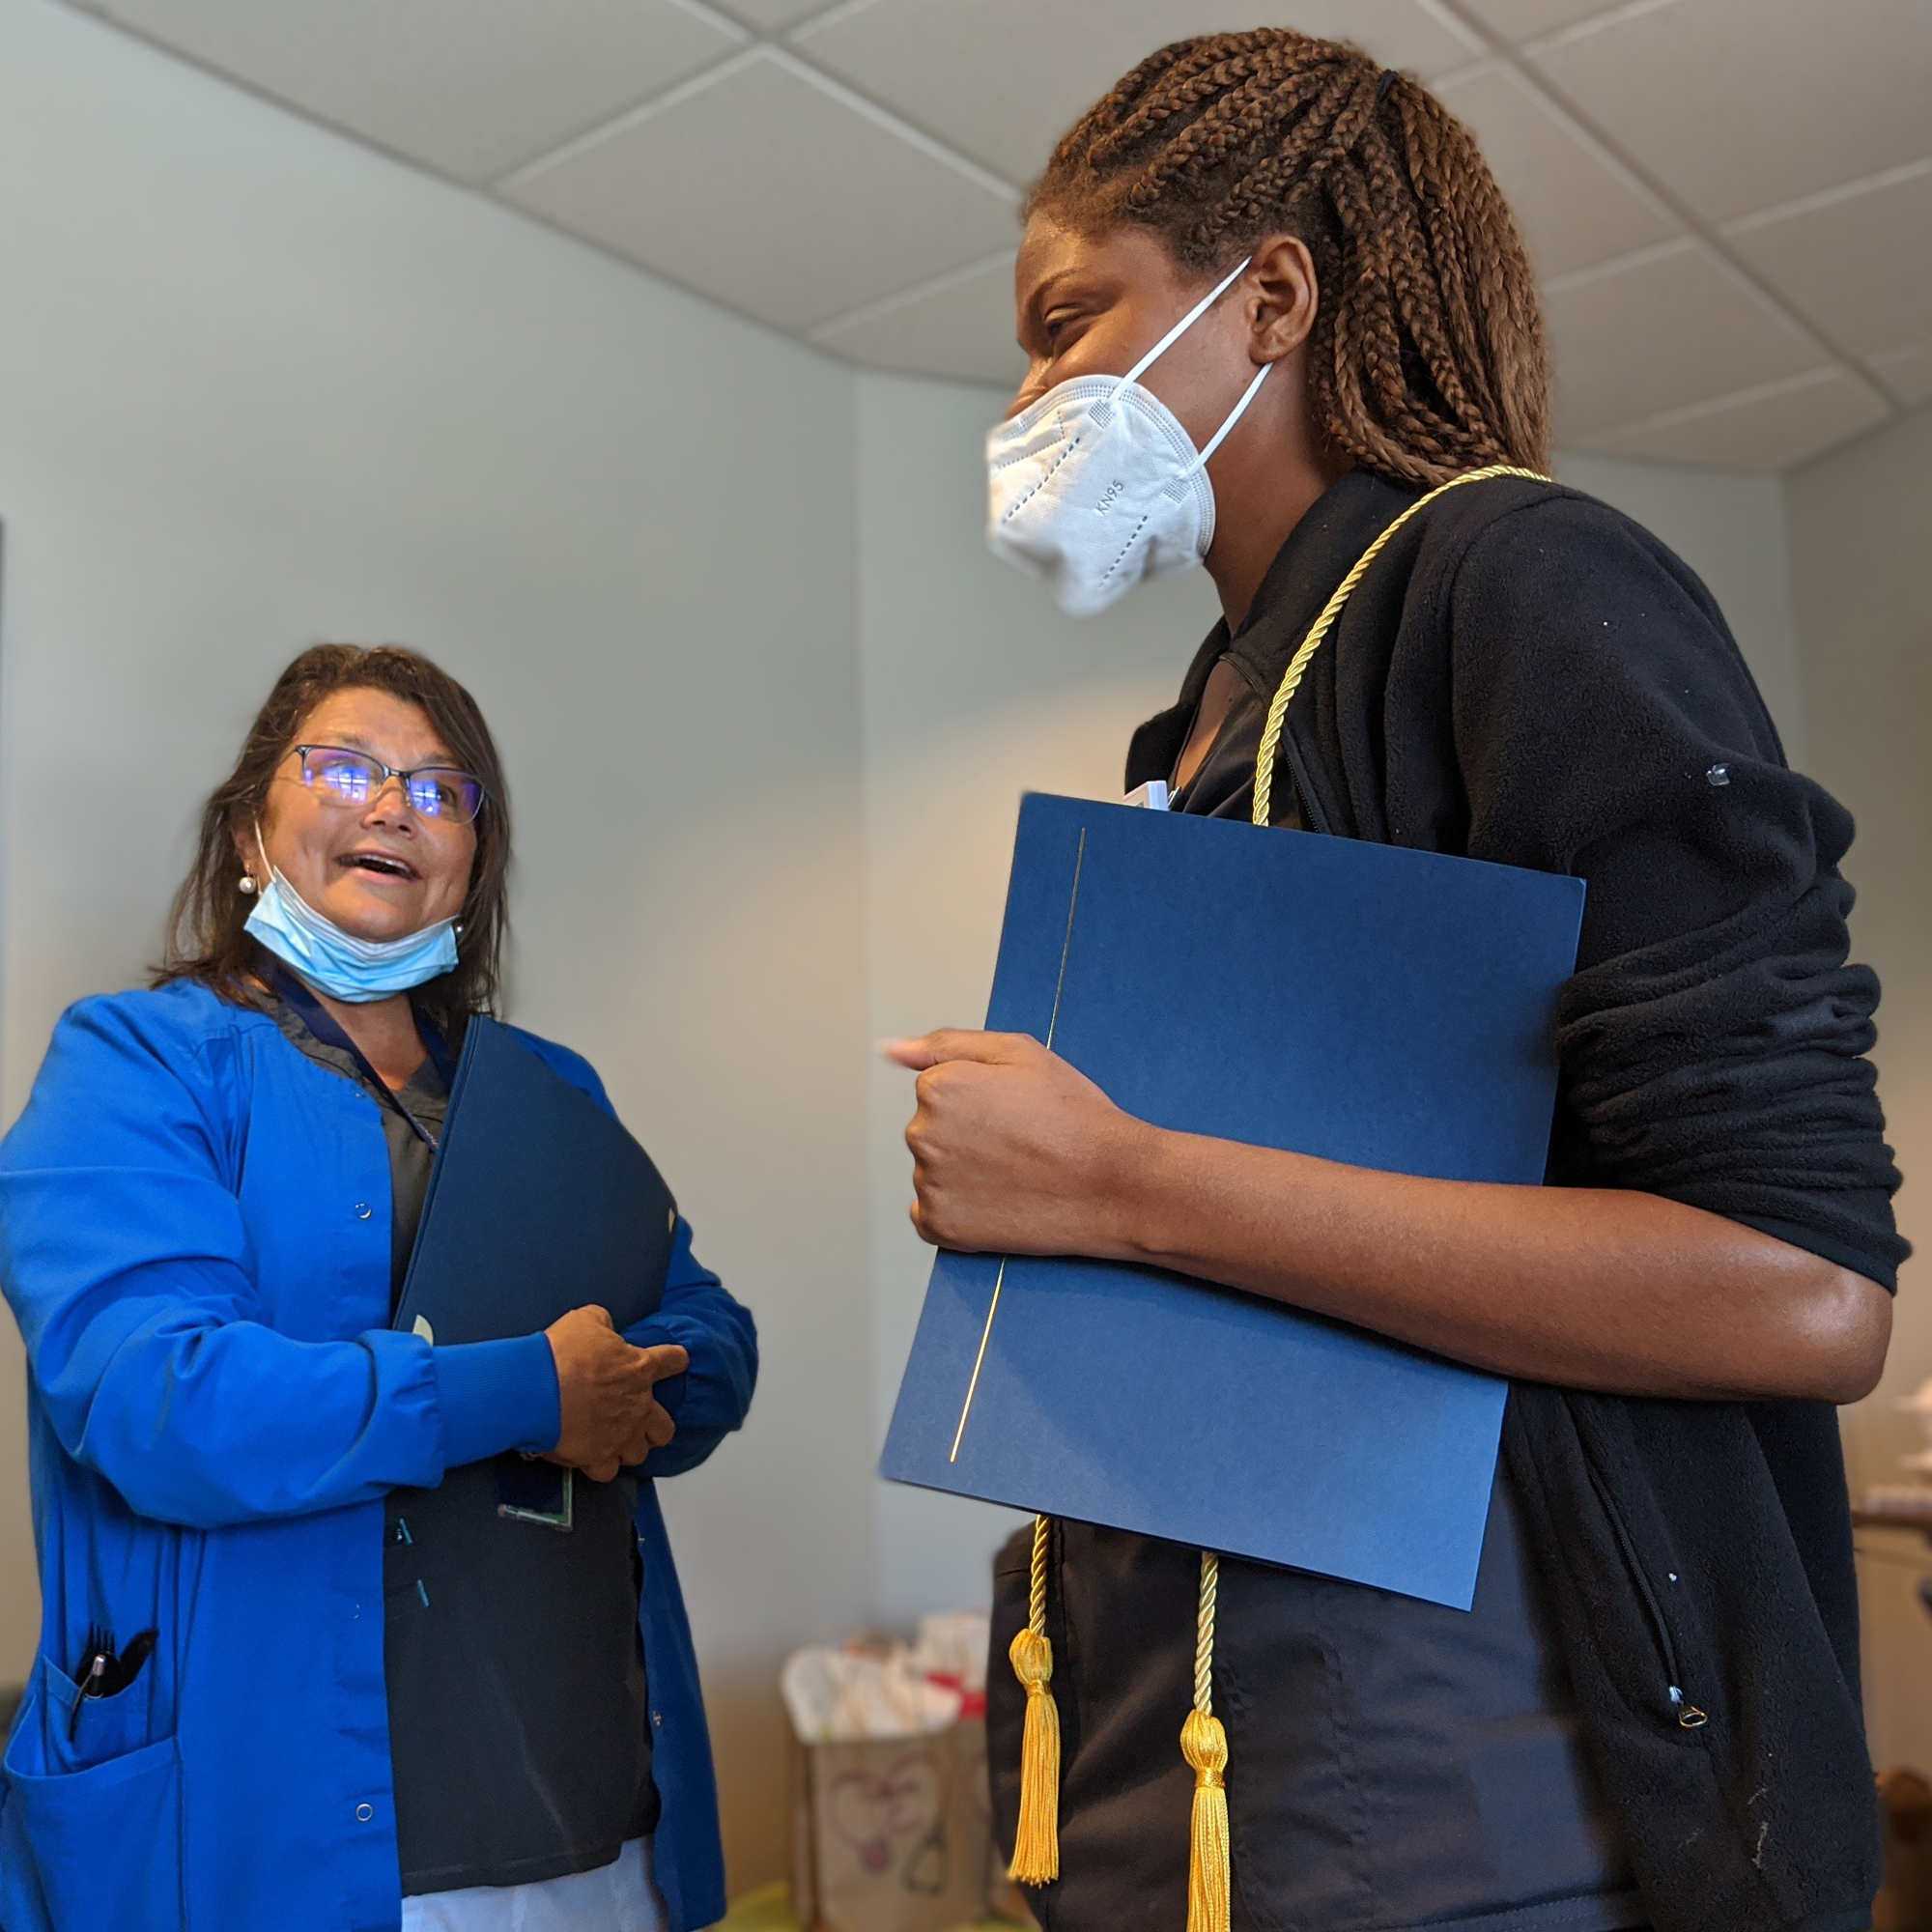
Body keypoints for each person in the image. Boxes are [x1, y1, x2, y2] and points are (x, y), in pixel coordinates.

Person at [889, 30, 1902, 1932]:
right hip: (1190, 1765)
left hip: (1449, 1801)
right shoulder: (1200, 719)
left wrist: (1116, 1182)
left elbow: (1804, 1290)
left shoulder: (1514, 583)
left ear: (1270, 292)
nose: (1028, 397)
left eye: (1067, 318)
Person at [0, 644, 757, 1932]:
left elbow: (706, 1333)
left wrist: (629, 1393)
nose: (394, 805)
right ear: (252, 824)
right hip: (276, 1826)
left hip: (581, 1810)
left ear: (474, 856)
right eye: (346, 768)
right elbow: (164, 1403)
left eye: (440, 789)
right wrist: (531, 1393)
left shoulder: (546, 1090)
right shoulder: (138, 1064)